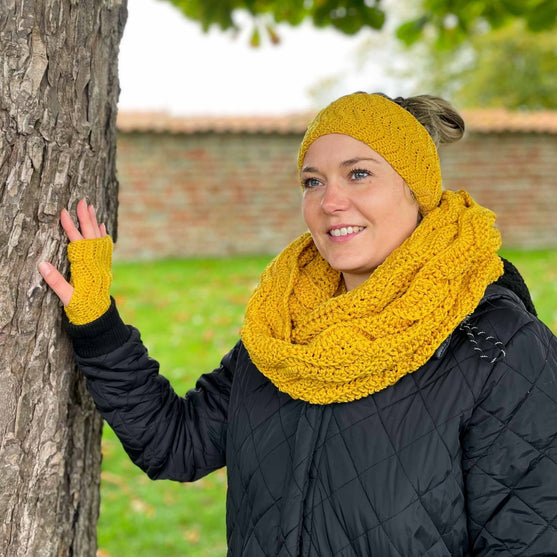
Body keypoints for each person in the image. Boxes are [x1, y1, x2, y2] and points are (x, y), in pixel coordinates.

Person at [39, 92, 557, 556]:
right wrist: (97, 321)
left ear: (416, 189)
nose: (331, 202)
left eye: (359, 174)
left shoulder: (499, 348)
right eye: (313, 182)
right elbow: (174, 444)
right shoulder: (283, 330)